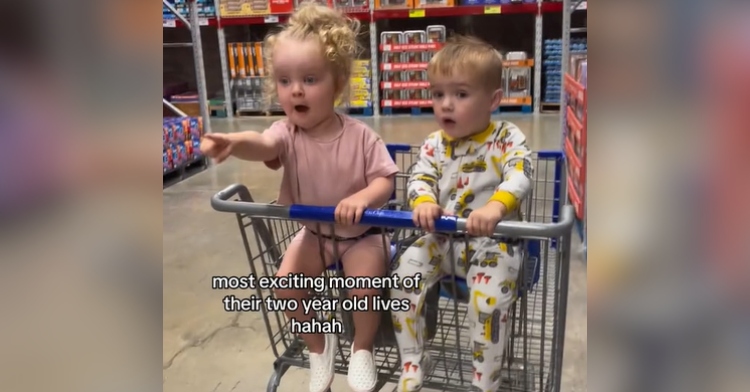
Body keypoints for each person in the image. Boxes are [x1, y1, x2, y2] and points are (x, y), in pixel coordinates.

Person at [199, 3, 399, 392]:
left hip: (362, 235)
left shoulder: (361, 137)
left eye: (310, 79)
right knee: (286, 286)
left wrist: (363, 197)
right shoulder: (285, 133)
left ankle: (361, 348)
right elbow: (262, 144)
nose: (297, 90)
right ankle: (319, 346)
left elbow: (385, 181)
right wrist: (234, 141)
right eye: (286, 80)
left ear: (337, 84)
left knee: (364, 289)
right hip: (315, 235)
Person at [389, 36, 534, 392]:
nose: (446, 105)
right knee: (403, 276)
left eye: (461, 94)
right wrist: (422, 201)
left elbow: (521, 171)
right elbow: (421, 175)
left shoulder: (505, 136)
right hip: (441, 236)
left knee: (487, 303)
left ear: (493, 100)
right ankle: (411, 363)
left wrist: (496, 206)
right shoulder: (434, 143)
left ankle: (484, 382)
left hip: (492, 244)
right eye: (438, 94)